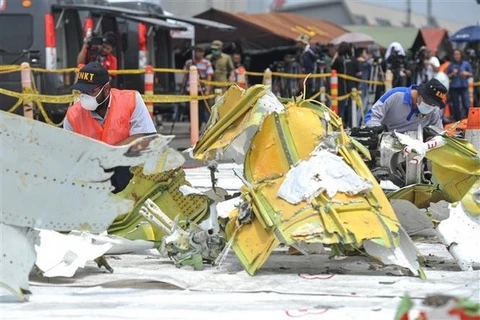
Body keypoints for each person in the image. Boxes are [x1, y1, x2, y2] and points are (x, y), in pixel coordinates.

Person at [65, 62, 156, 191]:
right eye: (82, 91)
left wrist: (109, 152)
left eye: (91, 91)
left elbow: (146, 137)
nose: (85, 95)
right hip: (92, 175)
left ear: (106, 89)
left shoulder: (131, 100)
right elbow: (68, 153)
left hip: (128, 170)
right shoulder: (73, 115)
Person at [364, 78, 448, 133]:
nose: (430, 106)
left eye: (433, 104)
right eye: (428, 101)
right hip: (384, 140)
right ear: (419, 94)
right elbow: (371, 116)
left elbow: (438, 132)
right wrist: (377, 131)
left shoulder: (434, 110)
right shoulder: (396, 95)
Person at [181, 46, 214, 126]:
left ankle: (197, 126)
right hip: (189, 89)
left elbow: (209, 77)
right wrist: (182, 87)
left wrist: (207, 89)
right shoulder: (189, 63)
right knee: (189, 109)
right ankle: (192, 124)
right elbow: (185, 76)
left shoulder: (207, 63)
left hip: (200, 90)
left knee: (200, 110)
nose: (198, 53)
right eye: (197, 51)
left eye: (200, 51)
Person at [332, 41, 359, 128]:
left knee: (341, 107)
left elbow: (332, 67)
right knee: (351, 106)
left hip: (341, 87)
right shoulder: (353, 59)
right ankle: (351, 125)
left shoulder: (338, 60)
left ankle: (340, 125)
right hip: (352, 87)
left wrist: (336, 55)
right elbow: (358, 72)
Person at [446, 49, 473, 121]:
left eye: (458, 54)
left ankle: (469, 120)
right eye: (455, 54)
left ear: (461, 55)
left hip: (464, 86)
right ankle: (457, 121)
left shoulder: (466, 63)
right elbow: (447, 76)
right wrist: (452, 74)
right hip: (454, 87)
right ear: (453, 55)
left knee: (466, 104)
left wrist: (466, 73)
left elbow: (471, 74)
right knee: (456, 105)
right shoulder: (451, 64)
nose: (457, 56)